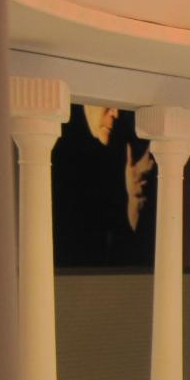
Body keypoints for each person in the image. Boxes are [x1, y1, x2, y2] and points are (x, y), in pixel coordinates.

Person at [51, 103, 156, 266]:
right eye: (108, 104)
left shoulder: (122, 139)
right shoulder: (59, 141)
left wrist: (135, 199)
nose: (115, 114)